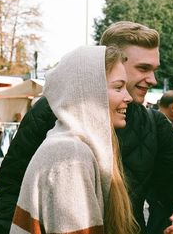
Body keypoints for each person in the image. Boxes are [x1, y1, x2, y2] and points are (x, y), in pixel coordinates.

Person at [0, 21, 173, 234]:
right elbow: (12, 187)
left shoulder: (153, 124)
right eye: (143, 68)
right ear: (106, 64)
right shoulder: (50, 115)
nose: (153, 79)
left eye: (154, 69)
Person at [10, 46, 135, 234]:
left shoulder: (69, 146)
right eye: (118, 87)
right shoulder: (70, 156)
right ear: (89, 93)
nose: (128, 97)